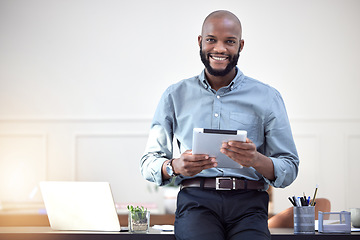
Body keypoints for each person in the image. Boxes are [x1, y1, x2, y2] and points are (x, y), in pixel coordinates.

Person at [140, 10, 299, 240]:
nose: (220, 49)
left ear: (241, 45)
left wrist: (257, 160)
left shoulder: (268, 97)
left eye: (230, 42)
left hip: (250, 205)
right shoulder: (174, 96)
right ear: (200, 42)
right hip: (196, 203)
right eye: (211, 40)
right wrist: (174, 166)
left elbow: (289, 166)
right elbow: (148, 162)